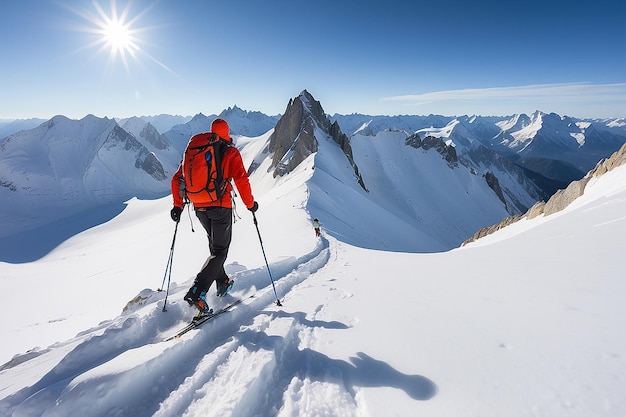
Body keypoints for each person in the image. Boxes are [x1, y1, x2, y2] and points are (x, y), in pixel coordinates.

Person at [170, 118, 258, 317]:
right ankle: (197, 292)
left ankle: (223, 282)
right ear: (226, 133)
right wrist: (250, 204)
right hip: (220, 208)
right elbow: (241, 179)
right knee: (220, 251)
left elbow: (177, 179)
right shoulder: (230, 152)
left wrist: (177, 205)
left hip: (199, 208)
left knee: (214, 248)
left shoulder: (196, 150)